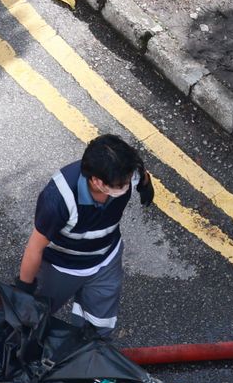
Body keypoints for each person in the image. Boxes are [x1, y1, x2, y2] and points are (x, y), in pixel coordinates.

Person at [15, 133, 154, 336]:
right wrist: (23, 290)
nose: (126, 187)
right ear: (97, 181)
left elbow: (140, 174)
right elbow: (35, 247)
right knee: (30, 322)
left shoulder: (127, 172)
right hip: (62, 267)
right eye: (120, 185)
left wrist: (145, 186)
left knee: (100, 324)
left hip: (106, 260)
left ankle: (91, 354)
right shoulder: (58, 199)